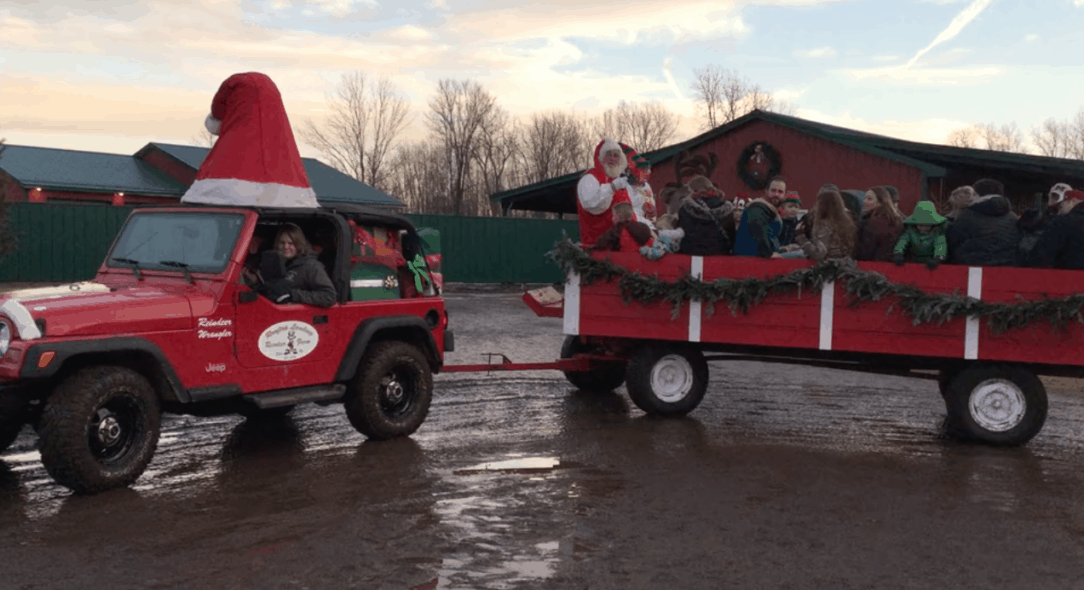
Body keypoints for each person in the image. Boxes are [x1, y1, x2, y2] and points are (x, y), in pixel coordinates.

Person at [945, 178, 1019, 267]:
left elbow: (953, 241)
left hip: (971, 267)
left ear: (978, 193)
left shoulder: (967, 215)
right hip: (1007, 267)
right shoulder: (1012, 217)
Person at [577, 138, 634, 247]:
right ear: (602, 157)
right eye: (609, 155)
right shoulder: (590, 178)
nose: (612, 158)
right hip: (597, 247)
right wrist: (611, 188)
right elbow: (592, 204)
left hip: (623, 245)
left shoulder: (621, 182)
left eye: (616, 155)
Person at [268, 224, 337, 307]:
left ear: (298, 245)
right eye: (282, 243)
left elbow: (329, 296)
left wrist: (293, 295)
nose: (286, 247)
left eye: (291, 243)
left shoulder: (311, 266)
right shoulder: (276, 264)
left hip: (300, 316)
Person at [1024, 189, 1084, 269]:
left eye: (1061, 205)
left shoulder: (1063, 222)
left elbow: (1041, 257)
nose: (1060, 209)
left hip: (1065, 277)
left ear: (1072, 201)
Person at [794, 185, 857, 261]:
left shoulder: (823, 225)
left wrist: (801, 238)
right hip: (845, 263)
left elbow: (820, 253)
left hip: (827, 265)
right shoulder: (848, 222)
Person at [855, 186, 903, 261]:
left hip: (872, 265)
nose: (864, 201)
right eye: (864, 198)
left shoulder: (874, 223)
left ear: (880, 202)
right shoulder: (896, 219)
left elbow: (866, 251)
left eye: (869, 199)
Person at [893, 201, 947, 269]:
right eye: (920, 225)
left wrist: (938, 258)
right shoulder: (910, 232)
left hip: (930, 263)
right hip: (913, 262)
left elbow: (940, 245)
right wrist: (898, 253)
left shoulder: (938, 234)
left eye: (927, 225)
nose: (923, 228)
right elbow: (902, 242)